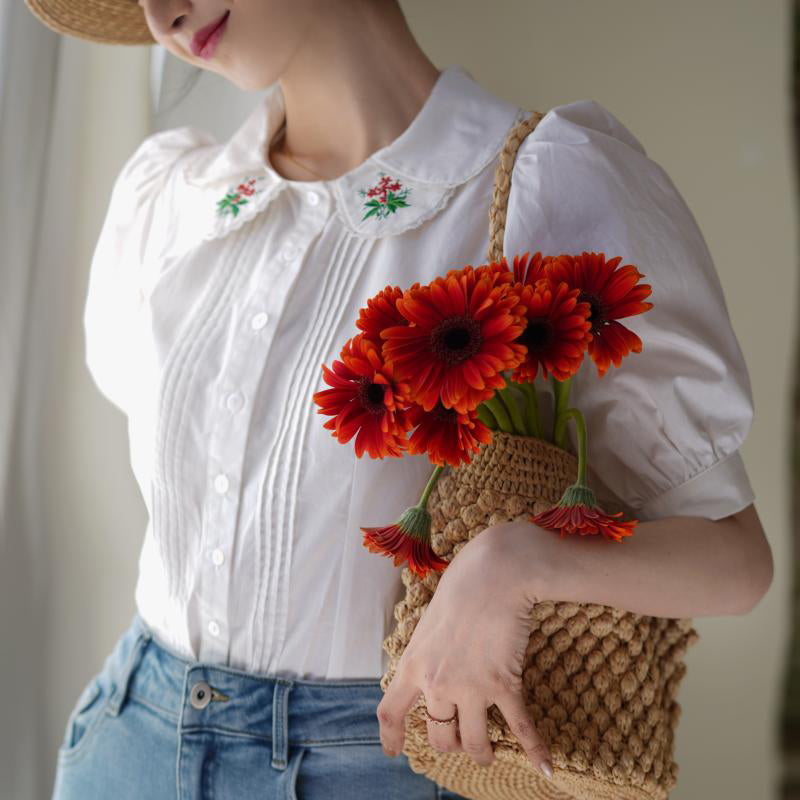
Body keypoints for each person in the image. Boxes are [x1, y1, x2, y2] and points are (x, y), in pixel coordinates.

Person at [24, 0, 772, 798]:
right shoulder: (173, 199)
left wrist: (512, 563)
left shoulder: (546, 186)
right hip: (129, 744)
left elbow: (734, 562)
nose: (163, 15)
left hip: (387, 760)